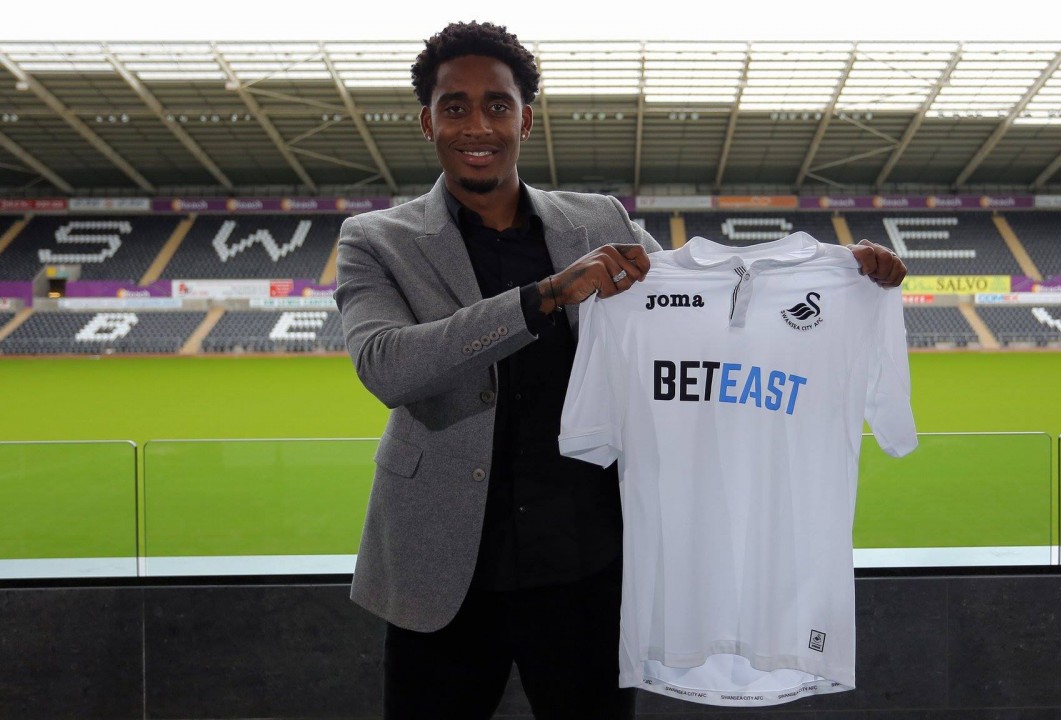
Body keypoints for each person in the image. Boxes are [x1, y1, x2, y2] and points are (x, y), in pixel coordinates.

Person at [334, 21, 907, 720]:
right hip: (439, 570)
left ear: (525, 120)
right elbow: (388, 366)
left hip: (585, 566)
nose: (477, 125)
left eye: (497, 105)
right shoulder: (376, 239)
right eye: (455, 107)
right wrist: (543, 297)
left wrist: (835, 279)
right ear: (428, 122)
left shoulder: (598, 220)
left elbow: (702, 309)